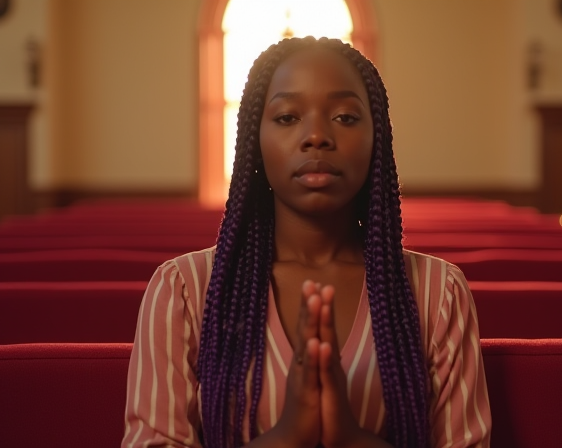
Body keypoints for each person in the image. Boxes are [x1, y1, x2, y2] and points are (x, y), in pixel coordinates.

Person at [121, 36, 491, 448]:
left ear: (378, 140)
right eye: (287, 117)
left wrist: (351, 439)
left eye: (346, 117)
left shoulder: (438, 291)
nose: (316, 136)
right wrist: (286, 436)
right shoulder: (185, 289)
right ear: (254, 144)